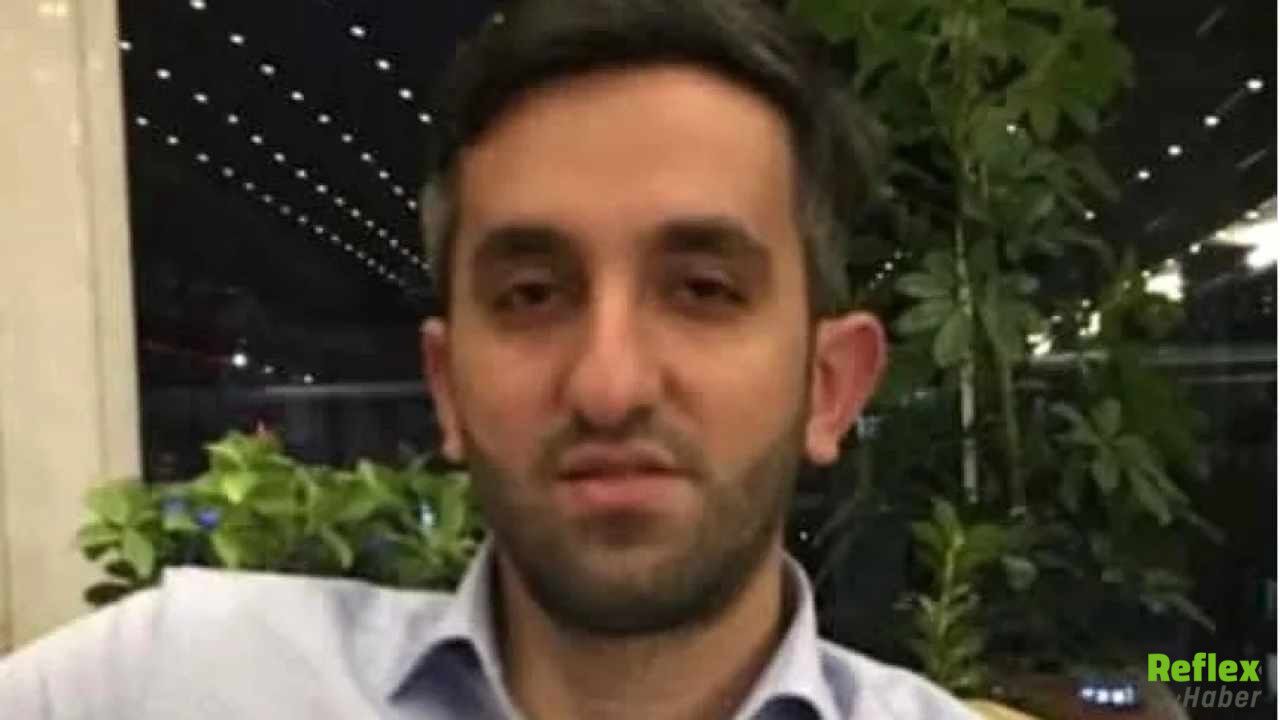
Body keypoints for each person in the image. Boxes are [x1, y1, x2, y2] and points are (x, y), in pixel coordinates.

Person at [0, 1, 978, 717]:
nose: (608, 385)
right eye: (531, 296)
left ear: (828, 387)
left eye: (702, 290)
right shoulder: (175, 684)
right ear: (446, 386)